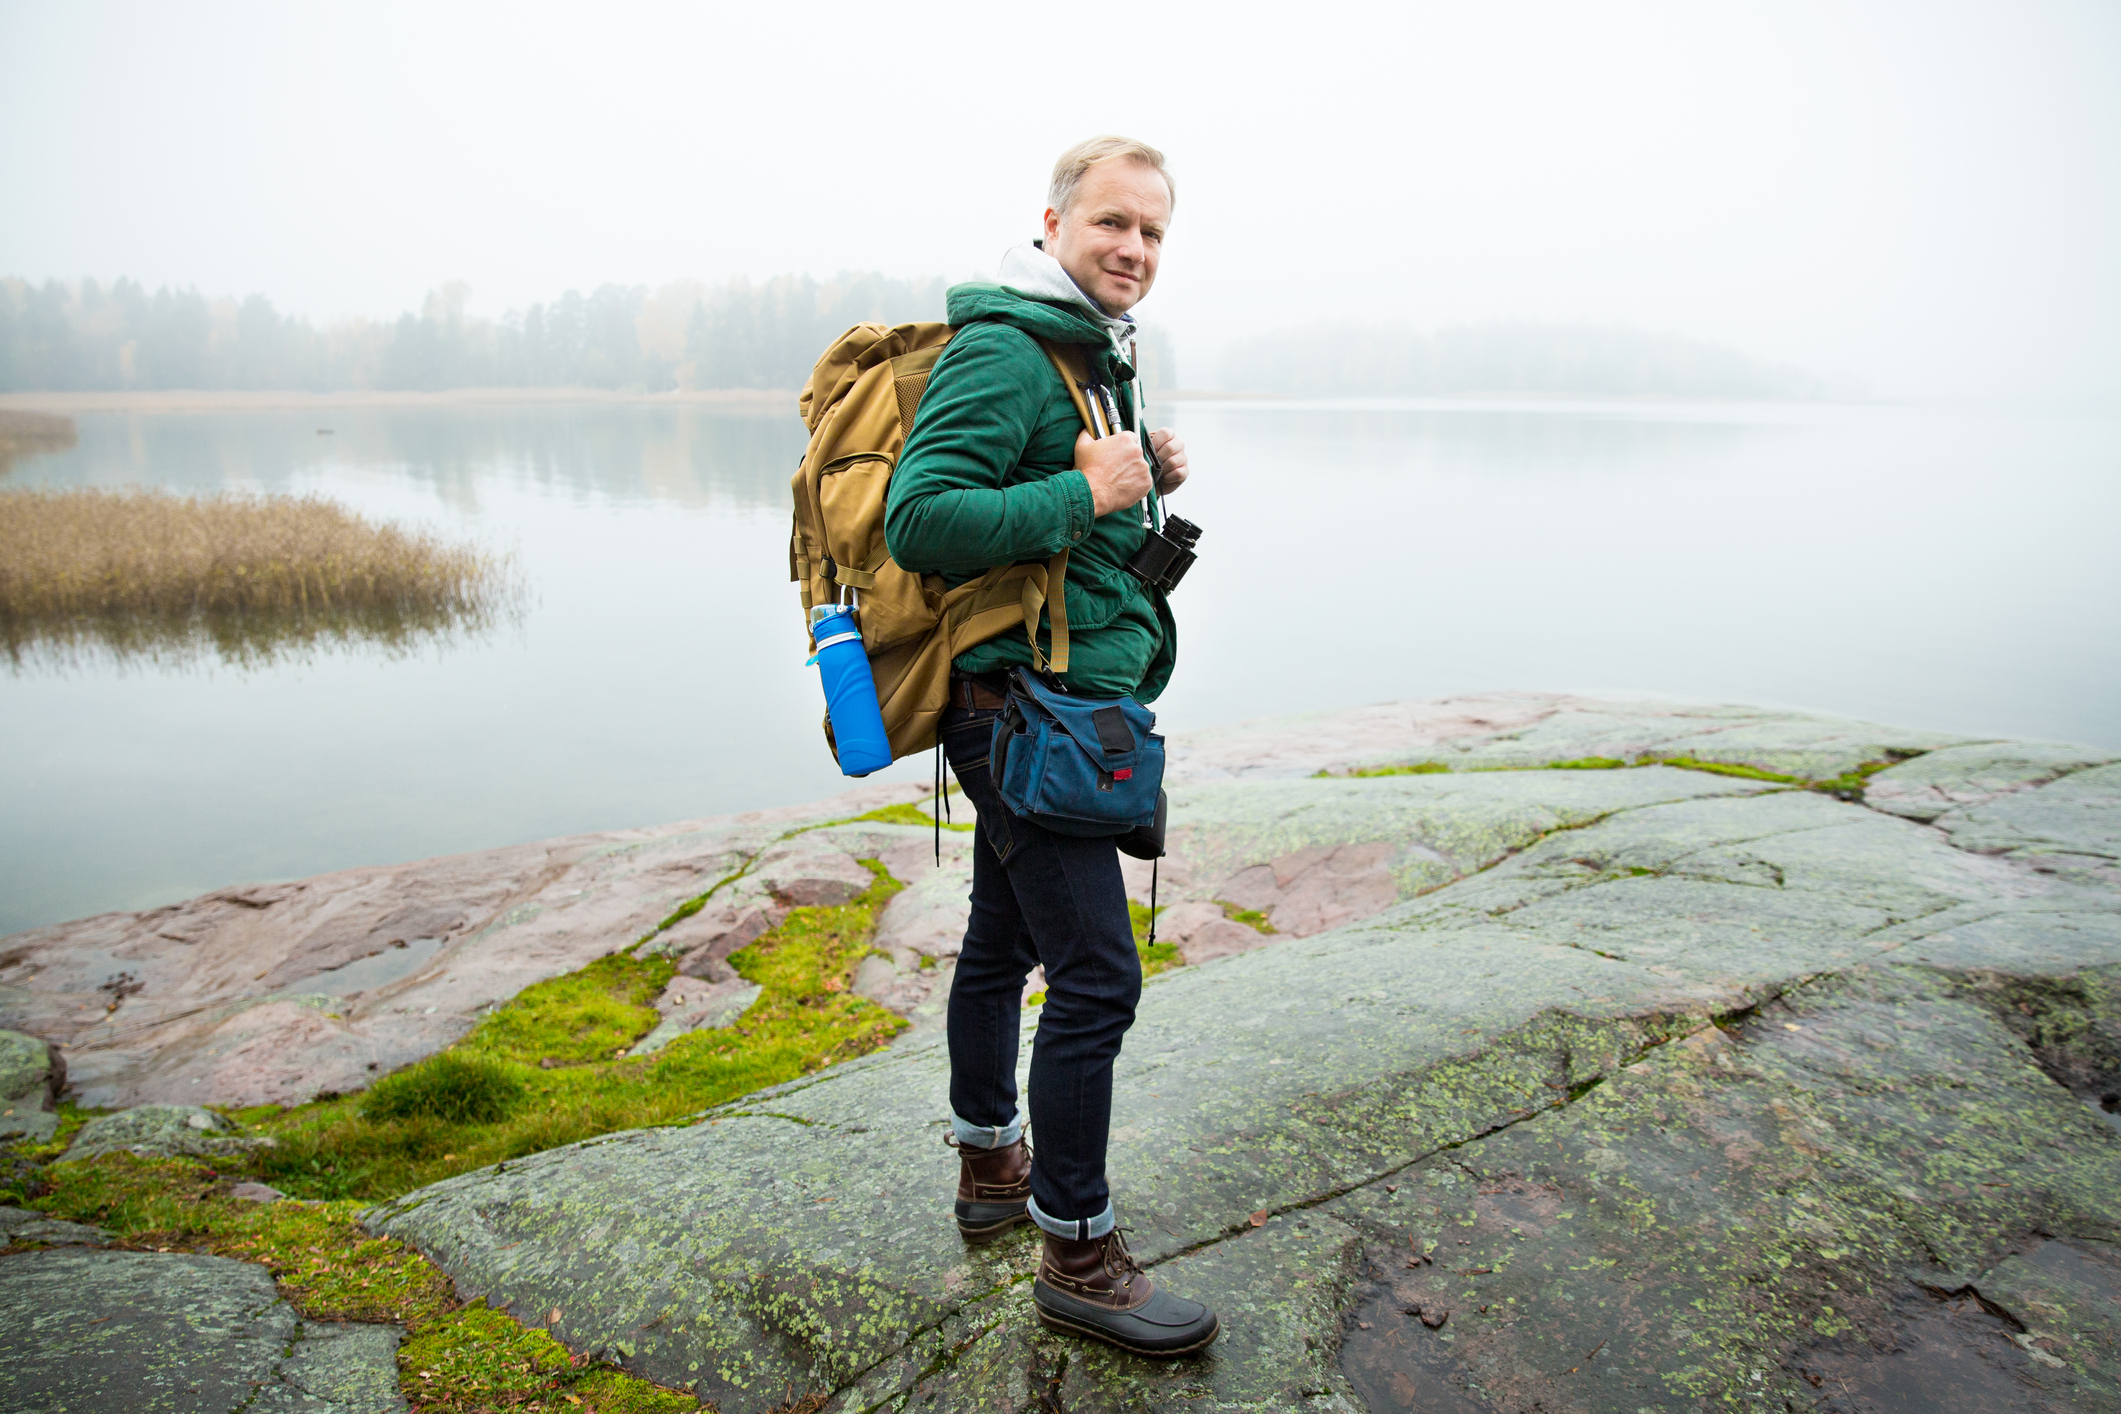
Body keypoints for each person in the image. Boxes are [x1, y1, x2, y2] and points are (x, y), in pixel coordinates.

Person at [883, 136, 1219, 1358]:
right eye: (1113, 225)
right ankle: (1077, 1248)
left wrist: (1136, 483)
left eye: (1153, 233)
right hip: (1023, 714)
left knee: (1004, 934)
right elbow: (921, 519)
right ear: (1053, 224)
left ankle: (989, 1169)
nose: (1133, 250)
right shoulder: (1006, 352)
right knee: (1098, 978)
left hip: (1055, 699)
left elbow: (1068, 544)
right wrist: (1087, 494)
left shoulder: (1092, 354)